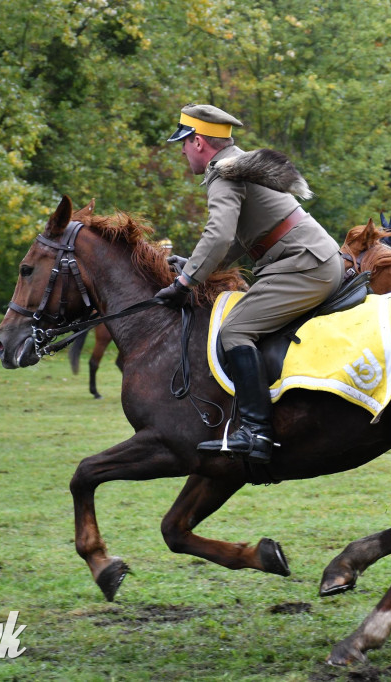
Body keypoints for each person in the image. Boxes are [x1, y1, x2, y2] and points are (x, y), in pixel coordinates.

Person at [153, 103, 343, 464]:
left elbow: (219, 234)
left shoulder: (223, 173)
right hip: (307, 260)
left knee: (234, 332)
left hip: (304, 265)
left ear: (198, 142)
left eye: (182, 142)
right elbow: (239, 241)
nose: (180, 150)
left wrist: (185, 282)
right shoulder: (237, 164)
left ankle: (257, 433)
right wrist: (194, 268)